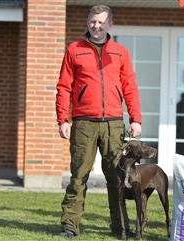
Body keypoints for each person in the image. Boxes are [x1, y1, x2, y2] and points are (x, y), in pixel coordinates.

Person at [55, 5, 142, 238]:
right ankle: (70, 226)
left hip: (114, 124)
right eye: (93, 21)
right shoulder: (74, 49)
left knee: (116, 178)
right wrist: (62, 118)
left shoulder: (120, 52)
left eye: (101, 22)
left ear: (110, 25)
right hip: (83, 123)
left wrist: (135, 119)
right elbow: (64, 87)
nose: (97, 26)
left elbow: (130, 87)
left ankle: (120, 228)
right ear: (88, 22)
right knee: (78, 176)